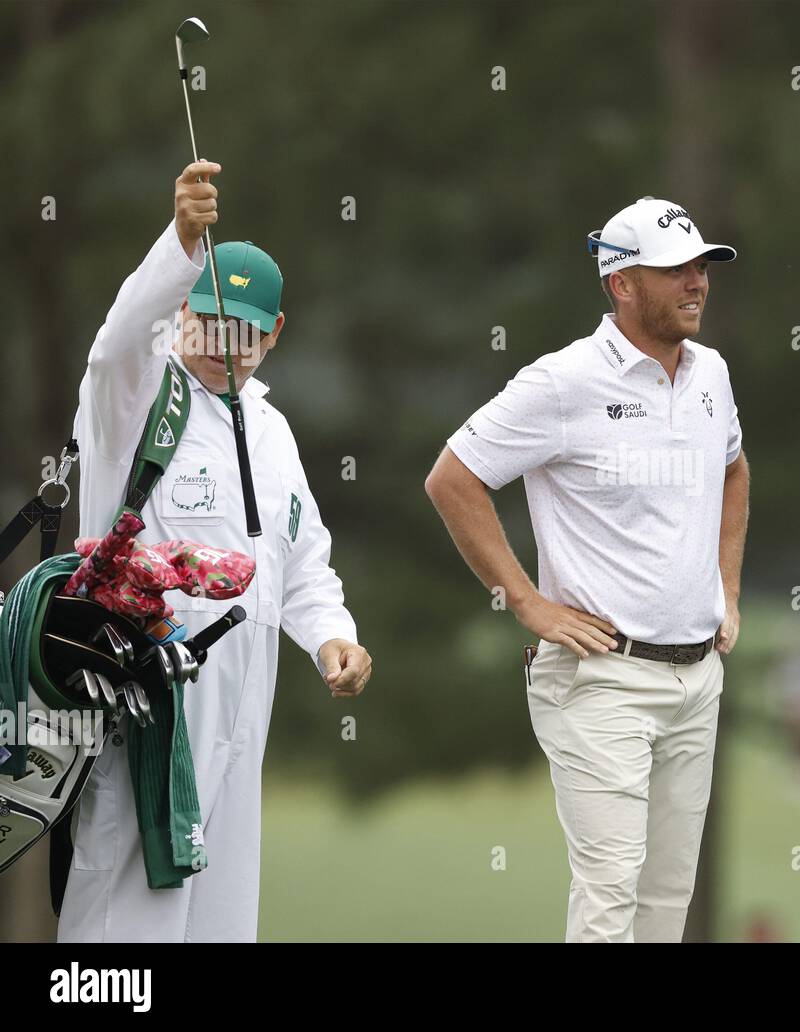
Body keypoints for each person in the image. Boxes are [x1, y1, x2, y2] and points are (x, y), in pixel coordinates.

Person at [58, 161, 372, 943]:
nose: (217, 342)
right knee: (127, 902)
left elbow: (300, 562)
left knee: (223, 910)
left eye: (239, 329)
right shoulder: (135, 398)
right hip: (146, 681)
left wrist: (334, 636)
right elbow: (113, 347)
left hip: (245, 689)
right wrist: (182, 242)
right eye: (203, 319)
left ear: (273, 332)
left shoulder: (271, 428)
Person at [425, 198, 749, 942]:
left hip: (696, 677)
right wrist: (529, 605)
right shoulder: (563, 381)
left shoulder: (712, 374)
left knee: (666, 903)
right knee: (610, 897)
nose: (697, 281)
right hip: (599, 679)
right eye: (676, 269)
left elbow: (733, 471)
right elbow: (453, 478)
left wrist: (725, 589)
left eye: (703, 265)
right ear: (622, 283)